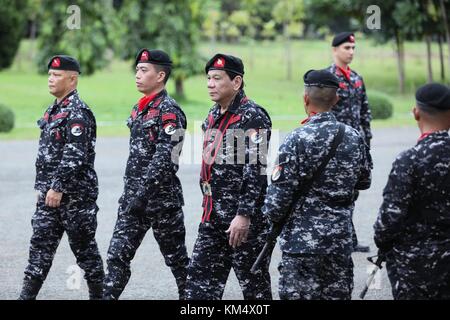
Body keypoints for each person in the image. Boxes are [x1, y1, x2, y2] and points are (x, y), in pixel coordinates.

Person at [263, 70, 371, 300]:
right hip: (339, 241)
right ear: (336, 99)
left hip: (301, 245)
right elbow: (365, 180)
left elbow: (275, 203)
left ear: (305, 99)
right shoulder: (353, 136)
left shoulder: (296, 139)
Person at [103, 49, 189, 300]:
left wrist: (142, 195)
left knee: (178, 262)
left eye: (144, 70)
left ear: (160, 75)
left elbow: (167, 159)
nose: (137, 75)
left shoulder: (170, 112)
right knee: (116, 257)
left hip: (162, 202)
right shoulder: (138, 108)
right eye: (137, 70)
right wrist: (133, 198)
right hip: (132, 202)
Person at [185, 53, 273, 300]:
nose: (210, 84)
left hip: (242, 223)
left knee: (255, 290)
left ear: (236, 82)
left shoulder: (252, 116)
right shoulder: (213, 114)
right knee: (198, 290)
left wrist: (243, 215)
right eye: (208, 78)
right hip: (213, 217)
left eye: (217, 78)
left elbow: (256, 169)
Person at [19, 55, 104, 300]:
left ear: (72, 79)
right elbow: (47, 155)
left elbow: (74, 156)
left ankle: (99, 296)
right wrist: (43, 187)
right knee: (39, 250)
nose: (51, 79)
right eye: (49, 74)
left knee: (85, 252)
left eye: (57, 75)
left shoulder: (78, 113)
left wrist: (57, 187)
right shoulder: (53, 110)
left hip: (74, 198)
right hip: (48, 196)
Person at [374, 83, 450, 300]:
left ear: (416, 113)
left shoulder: (409, 160)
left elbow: (389, 219)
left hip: (415, 268)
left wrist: (384, 243)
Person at [326, 32, 373, 252]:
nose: (351, 52)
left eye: (353, 48)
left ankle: (348, 239)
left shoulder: (356, 78)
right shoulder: (327, 78)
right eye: (347, 48)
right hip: (334, 147)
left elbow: (365, 112)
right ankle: (338, 239)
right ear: (334, 49)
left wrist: (367, 142)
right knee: (334, 194)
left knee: (352, 192)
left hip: (356, 147)